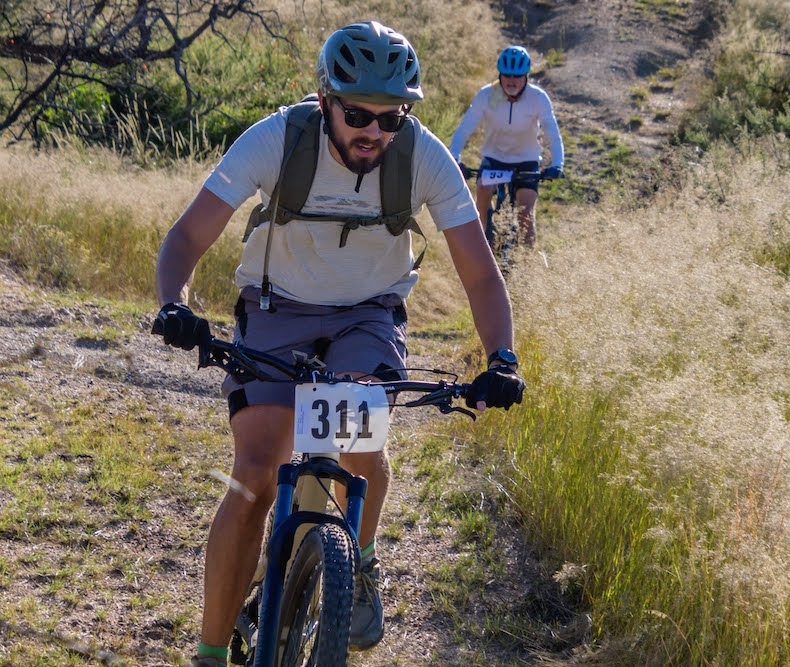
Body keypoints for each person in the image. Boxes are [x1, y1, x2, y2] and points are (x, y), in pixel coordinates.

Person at [151, 20, 525, 667]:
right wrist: (174, 304)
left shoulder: (422, 155)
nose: (373, 132)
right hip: (276, 307)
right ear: (324, 99)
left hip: (366, 316)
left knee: (362, 446)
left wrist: (503, 358)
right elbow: (188, 236)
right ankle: (210, 653)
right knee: (255, 474)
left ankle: (360, 563)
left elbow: (479, 271)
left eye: (390, 117)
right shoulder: (278, 139)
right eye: (357, 114)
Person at [449, 44, 565, 248]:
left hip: (526, 160)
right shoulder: (486, 95)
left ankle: (527, 265)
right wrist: (454, 158)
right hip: (494, 159)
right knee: (482, 197)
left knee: (525, 212)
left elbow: (552, 134)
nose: (511, 81)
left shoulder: (538, 98)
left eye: (517, 76)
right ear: (500, 75)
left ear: (526, 76)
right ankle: (482, 247)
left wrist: (557, 164)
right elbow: (464, 129)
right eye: (507, 75)